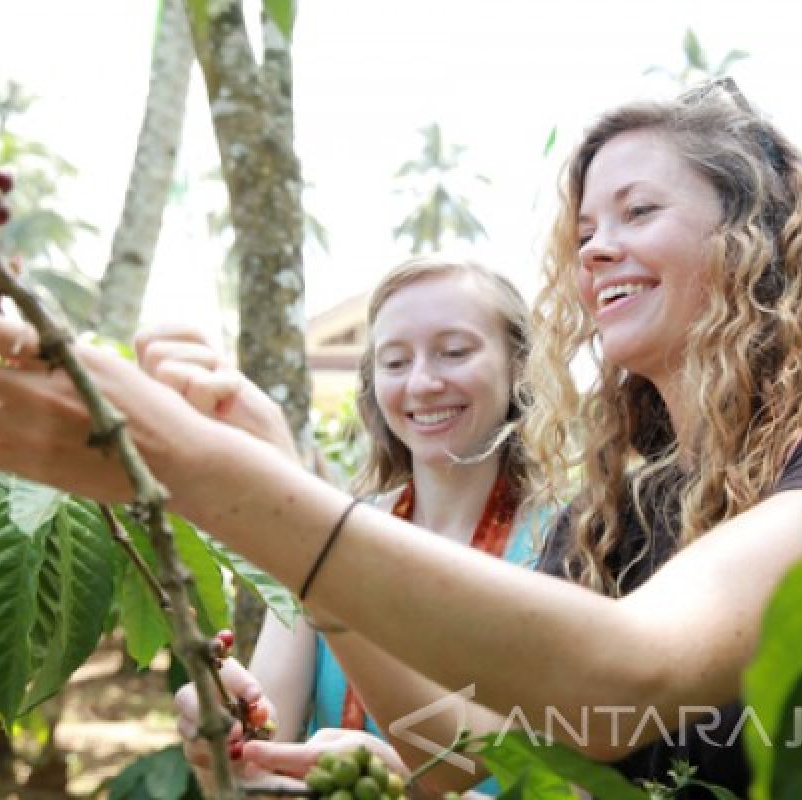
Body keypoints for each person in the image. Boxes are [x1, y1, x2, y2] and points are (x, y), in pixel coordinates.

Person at [0, 80, 802, 798]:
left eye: (637, 212)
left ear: (754, 239)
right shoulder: (620, 522)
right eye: (585, 230)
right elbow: (494, 757)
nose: (598, 251)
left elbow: (629, 680)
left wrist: (218, 477)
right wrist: (379, 765)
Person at [137, 256, 549, 797]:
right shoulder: (333, 528)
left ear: (518, 365)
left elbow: (581, 781)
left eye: (454, 352)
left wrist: (402, 787)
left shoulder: (575, 541)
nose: (423, 383)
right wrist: (222, 740)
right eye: (395, 362)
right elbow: (253, 776)